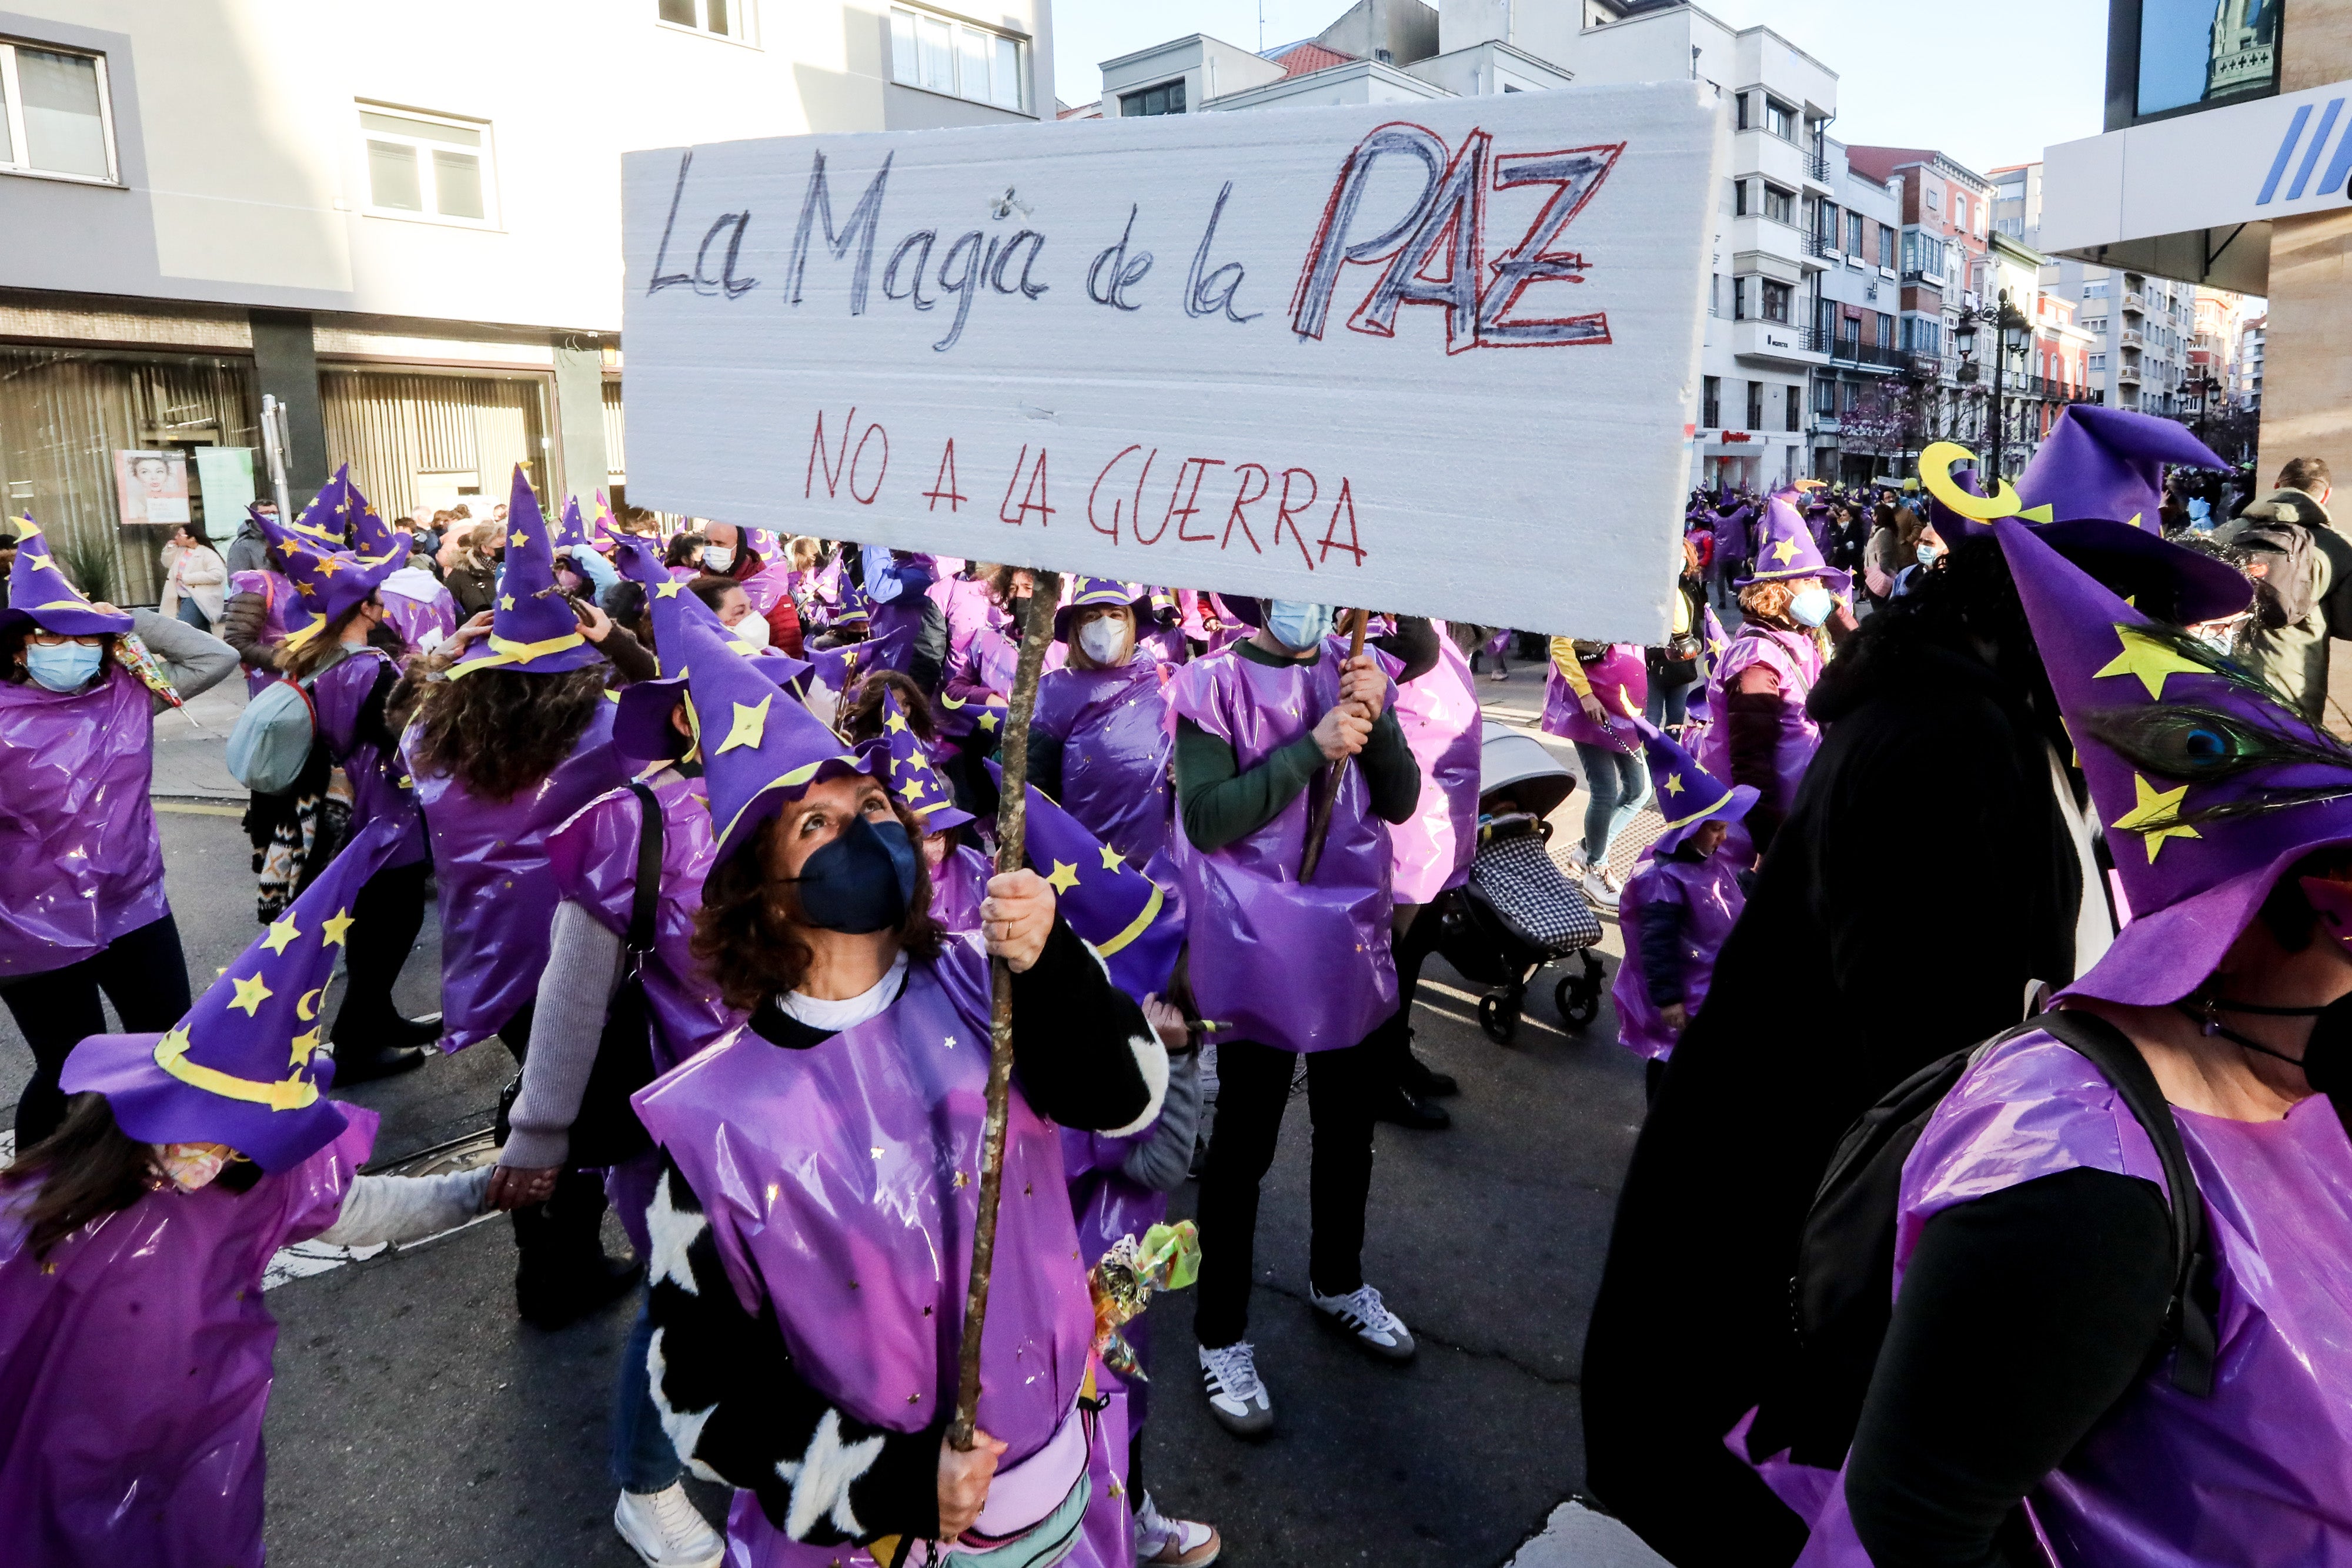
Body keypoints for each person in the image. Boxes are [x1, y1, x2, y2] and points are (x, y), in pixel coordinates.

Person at [1579, 418, 2258, 1567]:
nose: (2140, 637)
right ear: (2029, 594)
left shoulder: (2031, 732)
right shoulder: (1940, 743)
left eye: (2151, 606)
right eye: (2115, 596)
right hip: (1766, 1309)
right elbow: (1939, 1077)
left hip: (1838, 1289)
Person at [1775, 517, 2352, 1567]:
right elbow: (1918, 1516)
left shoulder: (2035, 740)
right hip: (1880, 1177)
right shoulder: (1943, 742)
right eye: (2144, 613)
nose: (2167, 642)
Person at [627, 604, 1169, 1567]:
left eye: (872, 808)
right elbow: (699, 1392)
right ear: (763, 889)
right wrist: (892, 1480)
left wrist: (1052, 966)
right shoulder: (716, 1121)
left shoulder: (988, 977)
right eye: (815, 823)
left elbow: (1124, 1096)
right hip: (881, 1542)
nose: (860, 829)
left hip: (1073, 1493)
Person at [0, 818, 495, 1568]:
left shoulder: (271, 1175)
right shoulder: (36, 1203)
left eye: (239, 1143)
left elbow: (367, 1209)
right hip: (56, 1455)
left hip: (193, 1443)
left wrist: (483, 1189)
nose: (210, 1160)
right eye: (200, 1129)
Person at [486, 580, 743, 1568]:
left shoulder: (795, 811)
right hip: (673, 1120)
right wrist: (540, 1134)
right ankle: (647, 1482)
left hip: (784, 1115)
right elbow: (569, 996)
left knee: (750, 1289)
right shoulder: (634, 826)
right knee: (680, 1292)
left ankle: (709, 1418)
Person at [1172, 597, 1422, 1436]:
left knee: (1349, 1124)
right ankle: (1221, 1335)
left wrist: (1376, 718)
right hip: (1257, 946)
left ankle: (1339, 1278)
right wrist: (1310, 747)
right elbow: (1208, 818)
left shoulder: (1358, 668)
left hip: (1348, 938)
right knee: (1243, 1145)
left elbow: (1398, 798)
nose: (1309, 601)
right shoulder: (1210, 684)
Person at [400, 470, 637, 1328]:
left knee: (546, 1100)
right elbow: (690, 716)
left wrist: (445, 657)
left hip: (491, 963)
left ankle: (551, 1264)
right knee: (569, 1118)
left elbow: (411, 717)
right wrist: (624, 644)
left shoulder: (437, 732)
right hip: (583, 964)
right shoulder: (609, 733)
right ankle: (555, 1272)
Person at [0, 519, 236, 1144]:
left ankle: (163, 1178)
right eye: (51, 634)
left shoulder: (129, 695)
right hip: (31, 928)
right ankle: (33, 1212)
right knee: (68, 1074)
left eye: (83, 635)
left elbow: (218, 657)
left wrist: (128, 618)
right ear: (21, 647)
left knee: (168, 1045)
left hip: (134, 907)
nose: (69, 647)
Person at [266, 517, 442, 1083]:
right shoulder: (370, 667)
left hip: (352, 813)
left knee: (371, 927)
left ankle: (380, 1017)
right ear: (365, 608)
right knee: (391, 927)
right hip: (384, 815)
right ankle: (358, 1043)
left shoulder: (313, 659)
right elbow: (400, 733)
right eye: (379, 595)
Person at [1359, 613, 1477, 1131]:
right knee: (1394, 962)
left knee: (1416, 949)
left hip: (1442, 823)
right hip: (1408, 825)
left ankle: (1399, 1058)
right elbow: (1411, 656)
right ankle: (1379, 1082)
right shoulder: (1391, 621)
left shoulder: (1435, 617)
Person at [1695, 494, 1848, 861]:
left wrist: (1840, 622)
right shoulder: (1757, 658)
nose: (1822, 592)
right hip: (1762, 833)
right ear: (1778, 591)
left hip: (1800, 810)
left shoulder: (1797, 637)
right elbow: (1750, 760)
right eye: (1810, 583)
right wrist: (1769, 841)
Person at [1611, 721, 1753, 1104]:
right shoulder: (1664, 879)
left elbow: (1726, 899)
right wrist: (1668, 998)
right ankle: (1661, 1121)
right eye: (1717, 829)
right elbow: (1655, 943)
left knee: (1700, 1063)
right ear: (1690, 831)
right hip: (1683, 995)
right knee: (1670, 1061)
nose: (1724, 838)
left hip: (1708, 986)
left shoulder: (1707, 859)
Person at [1030, 579, 1178, 868]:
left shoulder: (1171, 681)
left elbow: (1212, 763)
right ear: (1076, 629)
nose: (1105, 625)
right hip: (1080, 871)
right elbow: (1034, 797)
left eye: (1116, 614)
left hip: (1165, 871)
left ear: (1132, 622)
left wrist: (1190, 773)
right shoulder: (1052, 694)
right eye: (1092, 616)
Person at [2218, 454, 2347, 720]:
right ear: (2326, 496)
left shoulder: (2226, 533)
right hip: (2293, 690)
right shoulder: (2338, 547)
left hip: (2226, 678)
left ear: (2276, 488)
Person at [1543, 638, 1650, 908]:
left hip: (1622, 702)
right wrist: (1585, 694)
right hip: (1591, 705)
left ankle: (1588, 849)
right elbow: (1560, 644)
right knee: (1605, 790)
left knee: (1640, 789)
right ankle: (1596, 870)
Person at [159, 520, 226, 631]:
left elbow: (217, 575)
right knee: (202, 636)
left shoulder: (208, 554)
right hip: (182, 598)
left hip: (196, 600)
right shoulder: (180, 551)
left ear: (192, 538)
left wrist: (187, 578)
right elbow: (166, 563)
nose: (176, 537)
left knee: (183, 630)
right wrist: (170, 548)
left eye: (180, 535)